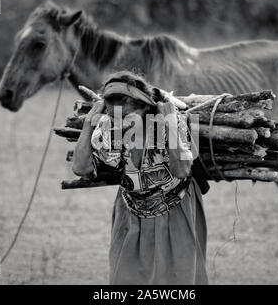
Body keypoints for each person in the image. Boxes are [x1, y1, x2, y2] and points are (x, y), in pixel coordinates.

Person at [72, 71, 208, 285]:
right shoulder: (108, 125)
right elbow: (80, 167)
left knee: (176, 281)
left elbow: (182, 170)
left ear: (144, 106)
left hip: (176, 210)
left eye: (127, 116)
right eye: (114, 113)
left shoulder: (174, 121)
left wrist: (170, 123)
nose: (122, 123)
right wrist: (89, 122)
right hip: (130, 212)